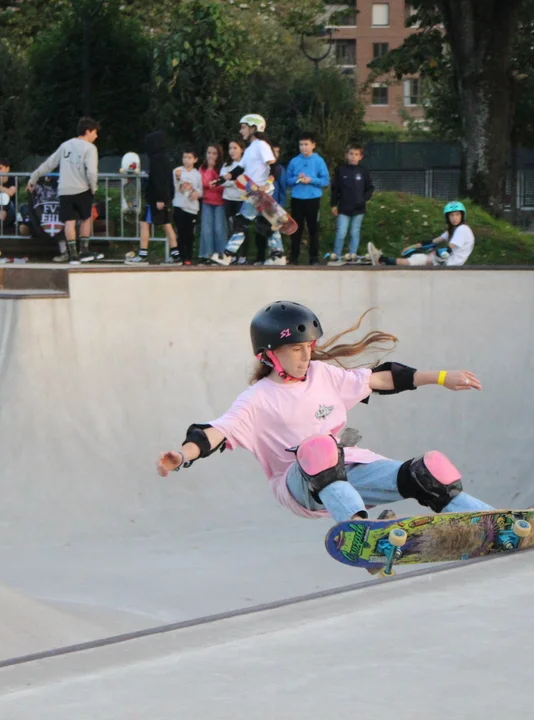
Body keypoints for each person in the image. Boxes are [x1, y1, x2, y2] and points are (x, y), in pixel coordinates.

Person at [153, 301, 495, 524]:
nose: (306, 357)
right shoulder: (257, 399)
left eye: (308, 348)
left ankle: (492, 523)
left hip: (346, 469)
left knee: (427, 472)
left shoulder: (323, 374)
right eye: (295, 349)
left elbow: (381, 378)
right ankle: (358, 532)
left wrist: (440, 377)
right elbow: (213, 433)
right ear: (268, 355)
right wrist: (182, 456)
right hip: (297, 486)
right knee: (319, 448)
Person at [214, 114, 286, 266]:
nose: (241, 131)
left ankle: (227, 254)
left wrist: (267, 183)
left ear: (254, 128)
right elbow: (239, 170)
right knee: (266, 223)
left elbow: (275, 167)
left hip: (260, 192)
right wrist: (221, 179)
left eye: (243, 127)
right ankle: (278, 254)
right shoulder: (250, 149)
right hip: (253, 191)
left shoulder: (261, 145)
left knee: (241, 221)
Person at [27, 117, 101, 262]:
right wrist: (93, 187)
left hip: (65, 190)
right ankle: (84, 251)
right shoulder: (90, 148)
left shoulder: (65, 145)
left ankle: (72, 254)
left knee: (69, 221)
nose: (96, 136)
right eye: (95, 132)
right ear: (88, 131)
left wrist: (34, 177)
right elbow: (92, 172)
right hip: (82, 188)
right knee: (86, 218)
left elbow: (49, 164)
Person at [367, 201, 474, 267]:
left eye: (457, 215)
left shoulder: (462, 229)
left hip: (449, 263)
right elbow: (432, 242)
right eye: (451, 215)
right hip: (446, 261)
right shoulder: (453, 230)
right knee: (413, 253)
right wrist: (411, 247)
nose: (454, 218)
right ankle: (382, 260)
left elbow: (448, 249)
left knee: (416, 259)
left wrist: (437, 254)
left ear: (462, 216)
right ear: (448, 217)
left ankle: (381, 259)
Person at [127, 130, 180, 264]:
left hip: (156, 199)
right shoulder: (166, 158)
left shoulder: (156, 159)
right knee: (166, 224)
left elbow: (159, 180)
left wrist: (160, 199)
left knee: (145, 223)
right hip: (164, 198)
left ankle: (143, 254)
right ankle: (176, 254)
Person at [285, 132, 330, 265]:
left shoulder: (319, 161)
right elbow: (287, 180)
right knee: (296, 229)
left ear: (313, 145)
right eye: (301, 145)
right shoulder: (294, 161)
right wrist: (297, 179)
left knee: (313, 229)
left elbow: (325, 181)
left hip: (313, 199)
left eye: (306, 144)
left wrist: (311, 180)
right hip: (297, 199)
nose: (303, 147)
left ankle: (314, 257)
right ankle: (294, 257)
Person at [329, 143, 374, 265]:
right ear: (346, 155)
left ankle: (352, 255)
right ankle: (336, 255)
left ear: (360, 157)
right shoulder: (340, 170)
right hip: (343, 208)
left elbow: (370, 188)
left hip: (359, 208)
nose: (353, 156)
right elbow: (335, 189)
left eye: (356, 154)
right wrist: (333, 205)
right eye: (351, 154)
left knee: (355, 232)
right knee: (341, 232)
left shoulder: (364, 171)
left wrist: (363, 199)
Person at [172, 149, 203, 265]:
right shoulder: (177, 171)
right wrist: (179, 180)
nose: (186, 160)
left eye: (189, 158)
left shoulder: (197, 174)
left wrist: (197, 193)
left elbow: (200, 190)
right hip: (179, 205)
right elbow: (175, 187)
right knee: (180, 232)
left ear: (195, 160)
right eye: (184, 157)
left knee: (189, 234)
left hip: (192, 208)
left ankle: (188, 257)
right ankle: (180, 257)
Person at [198, 144, 227, 264]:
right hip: (206, 201)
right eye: (209, 153)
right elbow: (200, 183)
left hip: (220, 202)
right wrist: (210, 182)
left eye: (214, 153)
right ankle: (208, 254)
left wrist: (212, 181)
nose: (210, 156)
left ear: (219, 155)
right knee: (206, 228)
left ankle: (221, 254)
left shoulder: (222, 168)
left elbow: (223, 185)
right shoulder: (202, 168)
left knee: (219, 228)